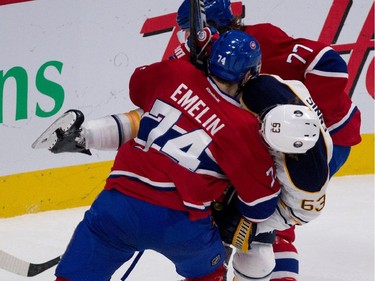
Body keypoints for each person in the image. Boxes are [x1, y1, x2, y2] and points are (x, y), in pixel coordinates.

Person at [53, 30, 281, 281]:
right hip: (181, 225)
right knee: (209, 273)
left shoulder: (176, 74)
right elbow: (261, 207)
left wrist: (183, 59)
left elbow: (137, 85)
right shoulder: (244, 128)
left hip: (118, 207)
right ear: (250, 75)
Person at [174, 1, 362, 280]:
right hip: (269, 140)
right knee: (240, 212)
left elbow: (329, 63)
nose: (189, 40)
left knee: (272, 218)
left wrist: (308, 119)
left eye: (191, 31)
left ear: (212, 27)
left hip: (324, 137)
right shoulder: (204, 57)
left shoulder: (262, 39)